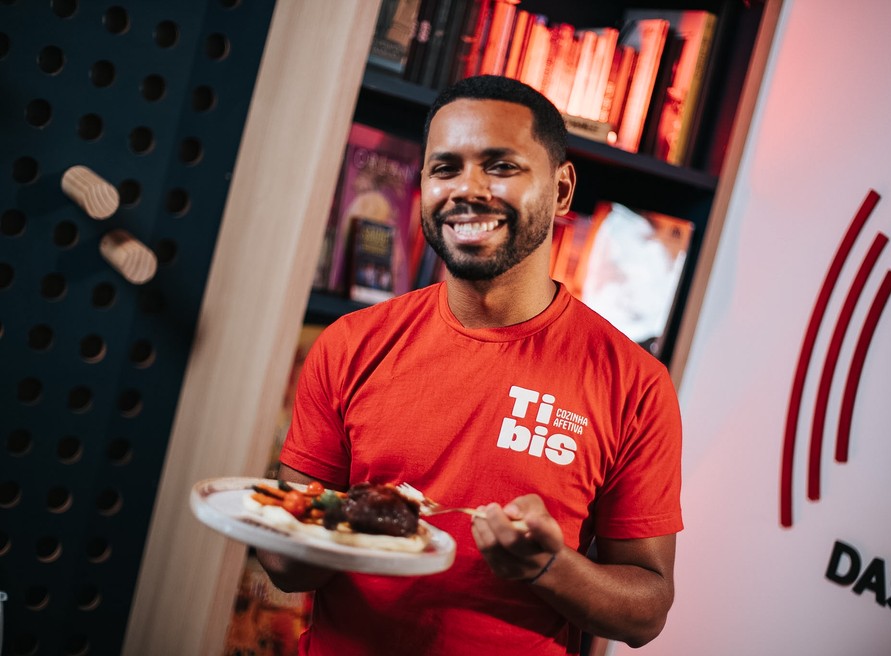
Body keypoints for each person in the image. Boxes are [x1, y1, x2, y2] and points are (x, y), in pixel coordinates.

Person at [257, 74, 683, 656]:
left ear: (561, 191)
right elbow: (287, 567)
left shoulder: (634, 383)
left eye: (501, 166)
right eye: (445, 168)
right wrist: (277, 530)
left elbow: (646, 613)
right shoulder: (350, 344)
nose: (468, 189)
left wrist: (549, 567)